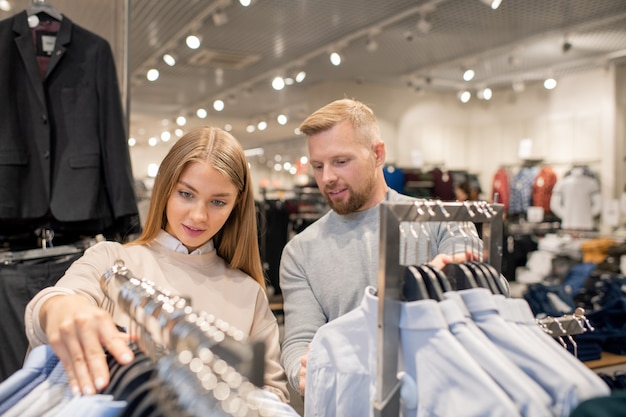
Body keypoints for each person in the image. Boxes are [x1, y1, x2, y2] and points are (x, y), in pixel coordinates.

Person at [24, 126, 289, 402]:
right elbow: (49, 307)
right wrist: (60, 308)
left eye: (218, 202)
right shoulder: (111, 260)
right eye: (186, 194)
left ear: (237, 204)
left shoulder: (248, 294)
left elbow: (273, 395)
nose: (198, 216)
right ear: (165, 188)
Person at [279, 98, 487, 394]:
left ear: (378, 154)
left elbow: (489, 293)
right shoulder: (300, 251)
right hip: (348, 401)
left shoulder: (442, 220)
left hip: (438, 398)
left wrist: (453, 278)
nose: (327, 178)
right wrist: (300, 369)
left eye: (341, 161)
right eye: (318, 166)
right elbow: (299, 339)